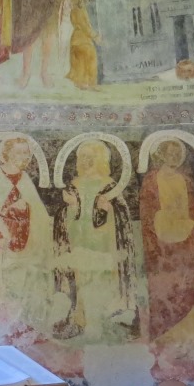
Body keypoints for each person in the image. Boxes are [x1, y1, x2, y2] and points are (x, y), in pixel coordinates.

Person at [138, 139, 194, 340]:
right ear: (161, 155)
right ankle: (167, 335)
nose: (174, 157)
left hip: (187, 241)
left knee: (191, 283)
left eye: (177, 153)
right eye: (169, 152)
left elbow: (193, 212)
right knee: (168, 288)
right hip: (162, 245)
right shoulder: (152, 180)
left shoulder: (184, 179)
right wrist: (166, 221)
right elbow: (148, 213)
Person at [52, 140, 136, 339]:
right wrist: (70, 207)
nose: (86, 161)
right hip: (78, 243)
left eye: (91, 157)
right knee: (80, 282)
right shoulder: (74, 185)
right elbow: (64, 219)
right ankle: (80, 320)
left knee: (103, 281)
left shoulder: (109, 185)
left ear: (100, 159)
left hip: (105, 246)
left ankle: (107, 320)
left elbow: (122, 218)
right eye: (82, 157)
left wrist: (108, 209)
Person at [0, 137, 51, 308]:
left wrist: (26, 206)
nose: (24, 156)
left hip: (24, 240)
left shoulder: (24, 178)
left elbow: (38, 212)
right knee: (3, 281)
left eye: (26, 152)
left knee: (23, 282)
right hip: (0, 238)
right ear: (7, 154)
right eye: (19, 152)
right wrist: (10, 208)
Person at [65, 0, 100, 89]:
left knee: (82, 61)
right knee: (87, 59)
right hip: (81, 39)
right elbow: (85, 27)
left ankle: (85, 83)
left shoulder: (79, 10)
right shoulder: (78, 11)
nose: (85, 0)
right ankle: (88, 83)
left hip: (79, 39)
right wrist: (95, 36)